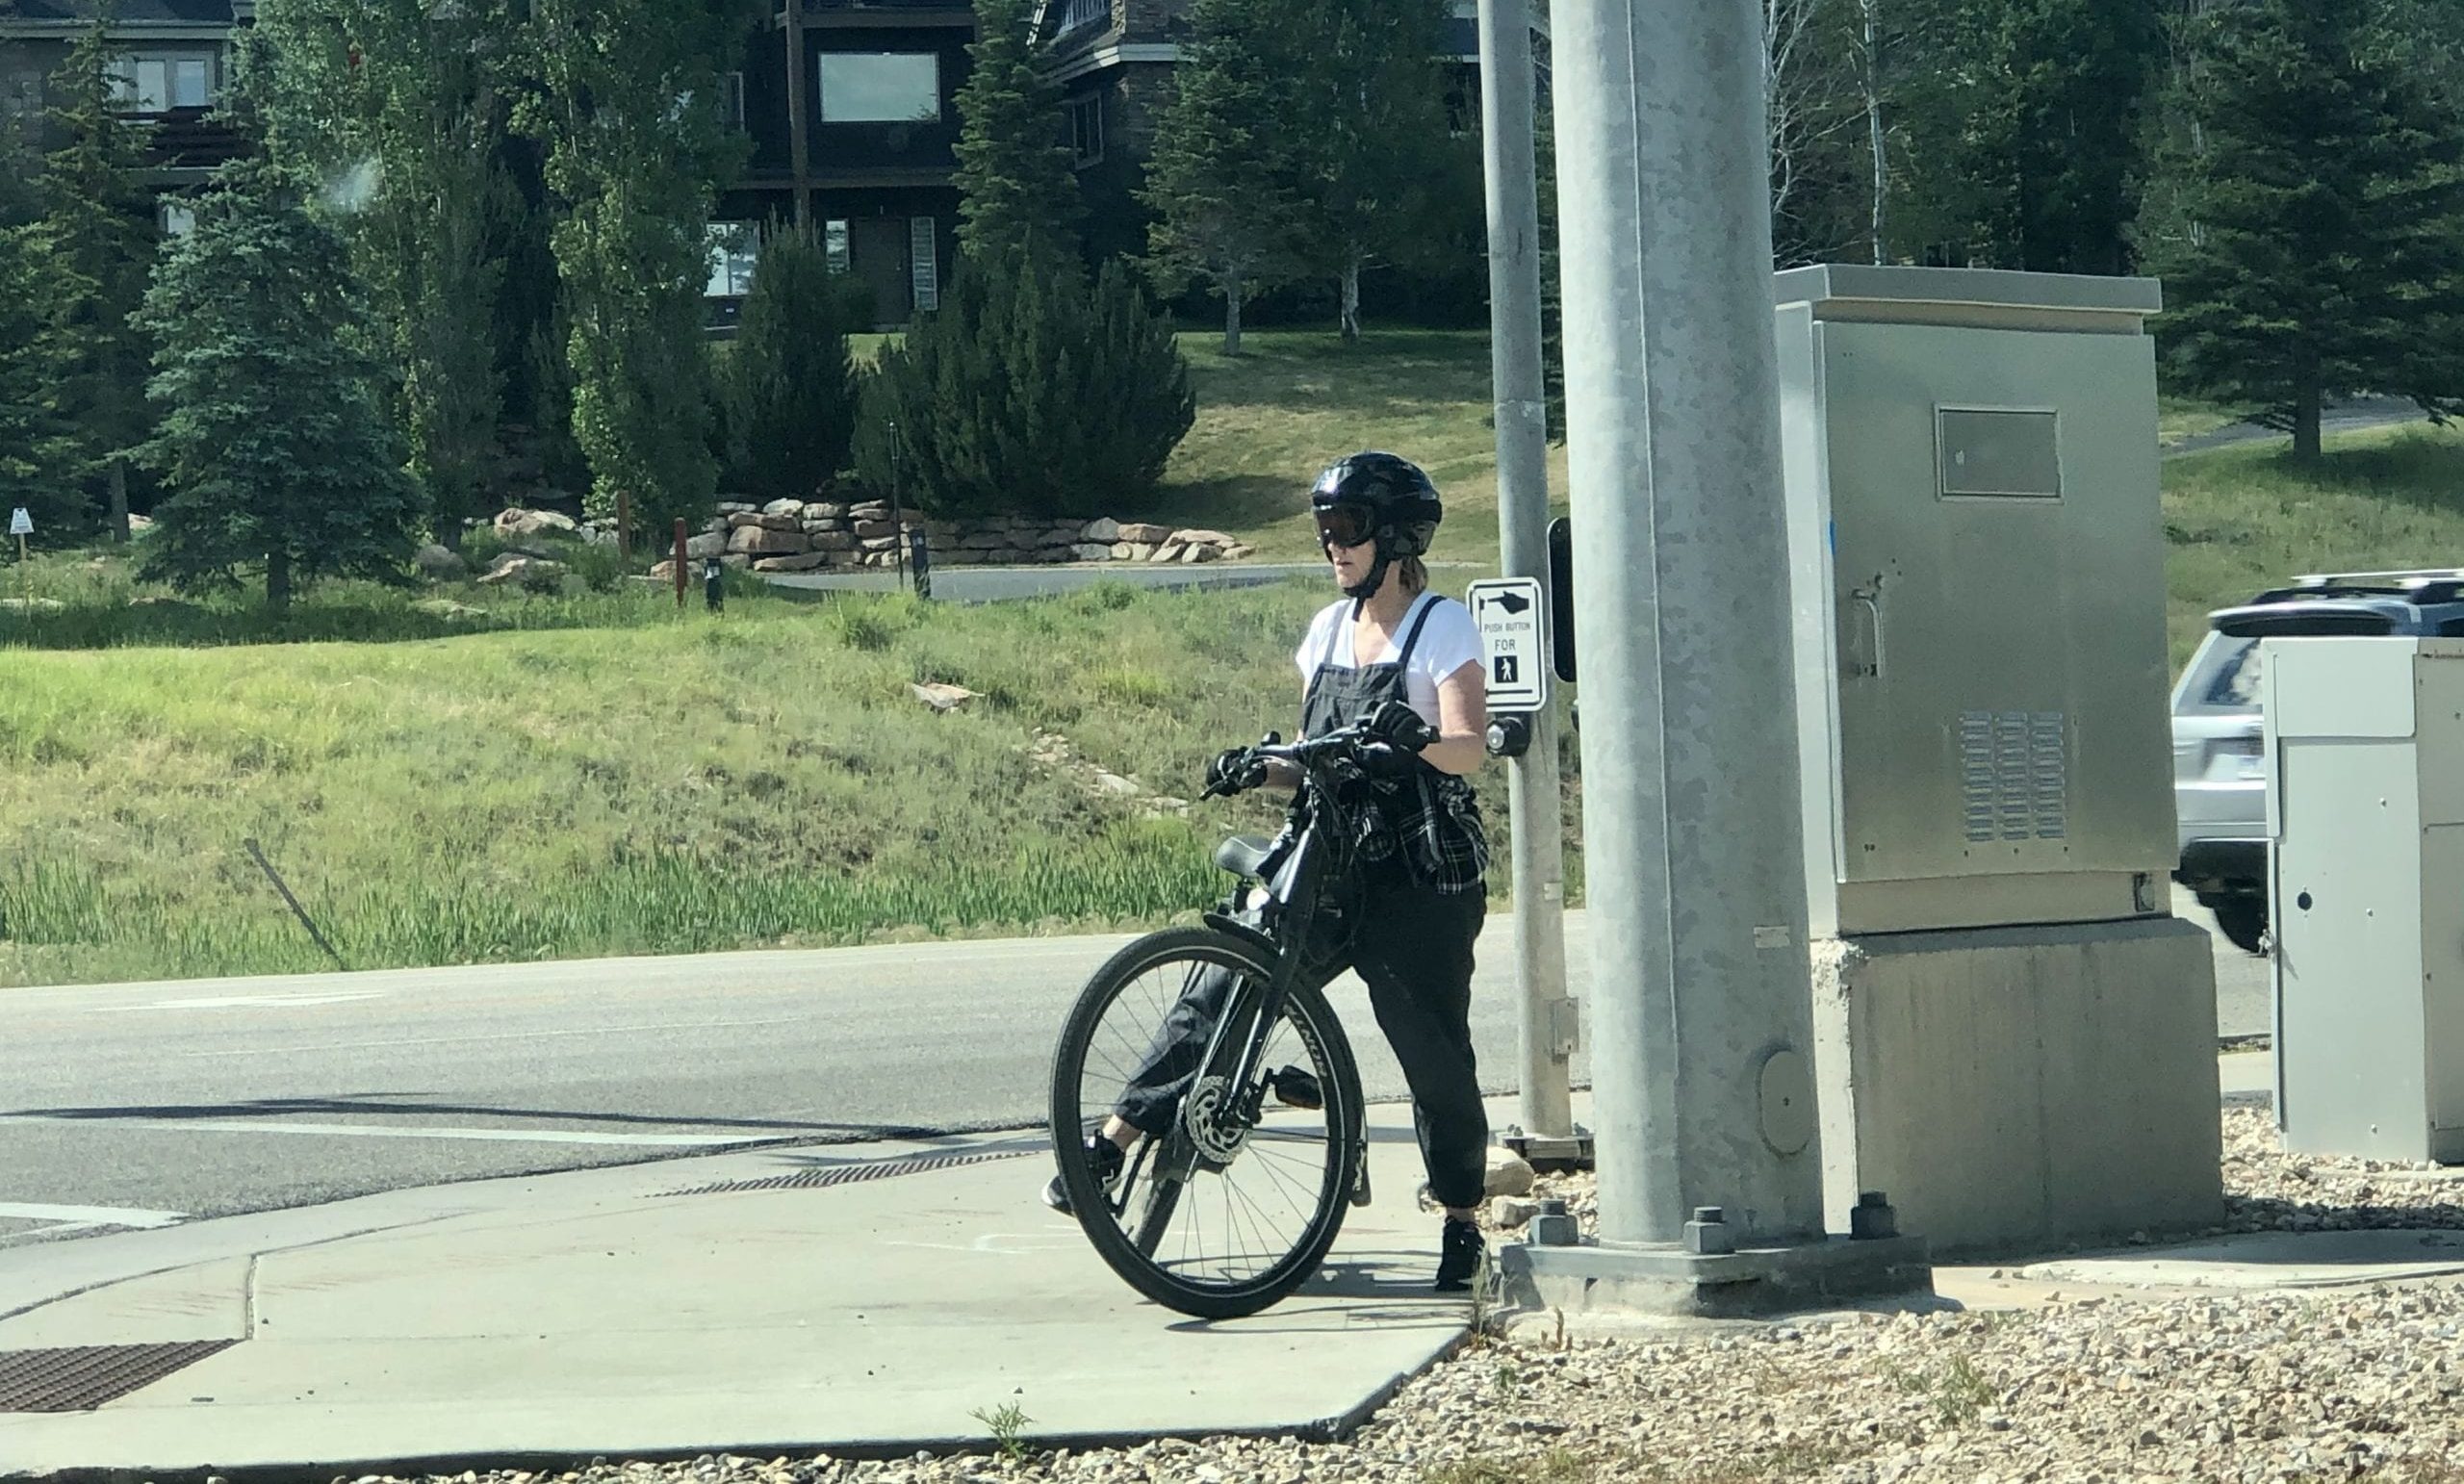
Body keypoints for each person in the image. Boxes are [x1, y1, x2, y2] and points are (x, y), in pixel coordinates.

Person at [1045, 450, 1495, 1293]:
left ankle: (1463, 1217)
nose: (1333, 546)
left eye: (1348, 530)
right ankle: (1110, 1146)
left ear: (1395, 537)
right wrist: (1260, 767)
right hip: (1326, 857)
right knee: (1221, 986)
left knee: (1431, 1052)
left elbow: (1470, 746)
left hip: (1415, 875)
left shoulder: (1444, 626)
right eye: (1324, 531)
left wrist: (1418, 739)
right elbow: (1311, 755)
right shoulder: (1326, 631)